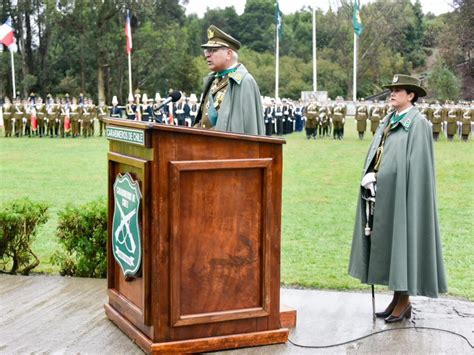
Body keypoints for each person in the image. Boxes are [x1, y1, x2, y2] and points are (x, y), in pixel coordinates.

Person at [348, 74, 447, 323]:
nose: (391, 94)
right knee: (391, 244)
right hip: (384, 193)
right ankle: (397, 298)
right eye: (391, 90)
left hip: (404, 196)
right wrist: (372, 174)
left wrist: (388, 180)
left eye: (398, 90)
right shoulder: (390, 119)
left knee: (402, 243)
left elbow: (418, 168)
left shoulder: (418, 124)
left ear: (411, 95)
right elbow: (381, 153)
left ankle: (404, 301)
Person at [194, 25, 264, 135]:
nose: (207, 55)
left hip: (228, 149)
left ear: (228, 54)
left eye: (213, 50)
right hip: (207, 147)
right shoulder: (213, 80)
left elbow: (249, 128)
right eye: (207, 51)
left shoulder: (244, 82)